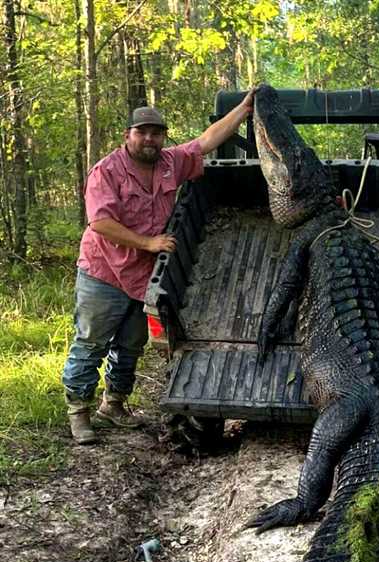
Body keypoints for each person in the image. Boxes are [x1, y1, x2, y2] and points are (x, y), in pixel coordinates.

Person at [62, 91, 256, 445]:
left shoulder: (170, 162)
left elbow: (205, 141)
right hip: (103, 271)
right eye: (142, 132)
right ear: (128, 135)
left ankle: (114, 404)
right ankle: (79, 412)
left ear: (163, 137)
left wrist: (242, 111)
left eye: (156, 132)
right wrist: (149, 242)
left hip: (143, 275)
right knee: (91, 342)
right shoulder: (106, 171)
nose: (149, 138)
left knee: (132, 343)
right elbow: (100, 223)